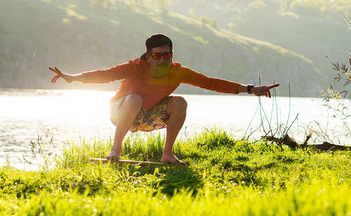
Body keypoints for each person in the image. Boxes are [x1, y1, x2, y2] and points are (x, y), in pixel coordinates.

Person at [49, 33, 279, 165]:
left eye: (166, 55)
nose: (162, 60)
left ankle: (167, 154)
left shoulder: (177, 71)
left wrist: (250, 89)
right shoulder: (134, 68)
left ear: (171, 56)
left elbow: (212, 83)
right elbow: (104, 75)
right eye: (157, 56)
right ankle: (115, 150)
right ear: (148, 56)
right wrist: (72, 78)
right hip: (122, 111)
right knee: (134, 99)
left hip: (151, 116)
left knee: (180, 102)